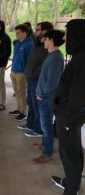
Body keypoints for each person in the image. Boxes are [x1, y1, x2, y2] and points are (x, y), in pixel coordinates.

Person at [51, 19, 85, 195]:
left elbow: (79, 96)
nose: (66, 39)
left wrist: (69, 121)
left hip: (69, 117)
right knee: (73, 151)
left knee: (70, 154)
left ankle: (71, 189)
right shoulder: (79, 56)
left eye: (69, 34)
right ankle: (71, 182)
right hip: (67, 115)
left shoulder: (82, 60)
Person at [33, 29, 65, 164]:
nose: (43, 41)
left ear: (51, 40)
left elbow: (52, 82)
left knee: (46, 125)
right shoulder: (51, 55)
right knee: (44, 124)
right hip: (44, 96)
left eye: (45, 39)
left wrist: (41, 94)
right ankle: (45, 144)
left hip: (47, 98)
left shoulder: (56, 57)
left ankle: (47, 153)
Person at [19, 22, 53, 138]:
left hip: (37, 80)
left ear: (45, 31)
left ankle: (38, 129)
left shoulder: (47, 47)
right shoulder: (38, 44)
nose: (35, 31)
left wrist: (33, 74)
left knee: (37, 106)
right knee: (32, 105)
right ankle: (31, 124)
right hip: (31, 79)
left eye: (38, 29)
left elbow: (44, 66)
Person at [9, 24, 34, 121]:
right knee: (16, 92)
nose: (16, 35)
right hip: (14, 71)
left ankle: (23, 112)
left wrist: (24, 72)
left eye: (18, 33)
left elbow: (30, 61)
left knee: (22, 93)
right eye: (16, 33)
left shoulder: (29, 44)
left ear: (25, 33)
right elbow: (15, 57)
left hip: (22, 73)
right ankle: (18, 109)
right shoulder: (18, 43)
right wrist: (12, 70)